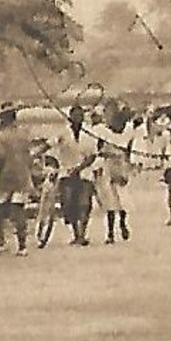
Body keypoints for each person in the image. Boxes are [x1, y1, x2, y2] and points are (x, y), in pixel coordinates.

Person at [50, 105, 99, 246]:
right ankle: (75, 233)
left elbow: (92, 156)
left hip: (84, 173)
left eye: (80, 115)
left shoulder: (89, 133)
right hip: (66, 172)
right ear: (70, 117)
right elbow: (50, 145)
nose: (78, 118)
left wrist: (79, 168)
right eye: (75, 115)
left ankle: (82, 234)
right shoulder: (62, 133)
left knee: (84, 204)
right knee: (69, 204)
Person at [0, 107, 33, 256]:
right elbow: (29, 156)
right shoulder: (24, 135)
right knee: (18, 209)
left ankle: (1, 241)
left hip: (4, 177)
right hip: (22, 176)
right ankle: (22, 246)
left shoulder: (0, 138)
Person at [95, 110, 136, 244]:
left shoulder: (127, 135)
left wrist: (127, 168)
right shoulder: (104, 134)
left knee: (123, 200)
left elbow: (128, 153)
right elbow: (98, 151)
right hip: (108, 167)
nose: (118, 125)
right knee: (110, 203)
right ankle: (110, 233)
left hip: (121, 166)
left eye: (121, 123)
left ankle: (123, 224)